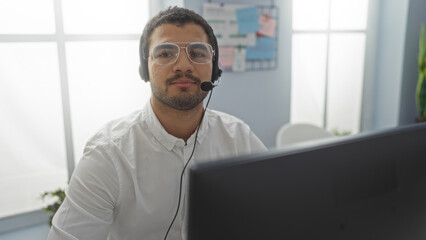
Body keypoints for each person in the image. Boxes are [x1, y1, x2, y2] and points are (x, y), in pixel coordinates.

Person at [47, 6, 266, 240]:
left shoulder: (239, 138)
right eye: (165, 53)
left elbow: (273, 211)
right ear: (145, 68)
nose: (183, 65)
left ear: (214, 68)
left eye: (198, 53)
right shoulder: (108, 154)